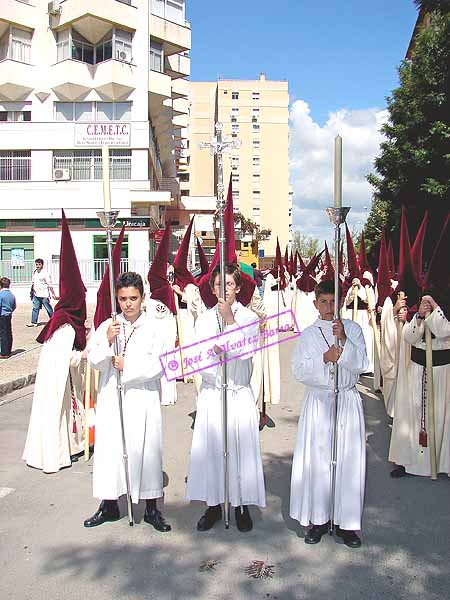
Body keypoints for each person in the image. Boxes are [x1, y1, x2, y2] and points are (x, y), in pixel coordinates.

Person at [84, 272, 171, 532]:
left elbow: (160, 364)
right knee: (112, 450)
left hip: (142, 398)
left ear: (142, 298)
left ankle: (151, 507)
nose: (128, 304)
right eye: (123, 299)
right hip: (114, 398)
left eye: (133, 298)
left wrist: (128, 366)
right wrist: (107, 340)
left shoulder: (155, 327)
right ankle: (109, 503)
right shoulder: (108, 326)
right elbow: (95, 359)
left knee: (147, 450)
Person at [186, 264, 266, 532]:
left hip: (238, 392)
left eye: (230, 285)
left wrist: (230, 321)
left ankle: (241, 505)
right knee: (214, 451)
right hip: (213, 393)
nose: (225, 290)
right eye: (219, 285)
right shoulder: (204, 320)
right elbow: (197, 358)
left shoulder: (250, 319)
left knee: (239, 450)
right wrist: (214, 355)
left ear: (239, 287)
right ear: (212, 289)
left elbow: (247, 351)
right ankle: (213, 504)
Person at [290, 279, 368, 548]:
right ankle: (320, 520)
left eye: (334, 301)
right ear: (315, 303)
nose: (328, 307)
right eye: (323, 302)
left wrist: (344, 342)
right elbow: (299, 370)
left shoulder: (354, 329)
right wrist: (324, 358)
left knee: (347, 462)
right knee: (320, 461)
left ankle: (346, 524)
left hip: (346, 400)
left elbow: (362, 364)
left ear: (341, 302)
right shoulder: (309, 334)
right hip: (319, 403)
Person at [389, 294, 450, 478]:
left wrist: (434, 310)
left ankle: (443, 464)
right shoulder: (420, 309)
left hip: (442, 373)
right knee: (412, 416)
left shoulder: (441, 310)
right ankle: (410, 464)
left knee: (441, 416)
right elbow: (409, 336)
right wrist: (420, 316)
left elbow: (443, 331)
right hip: (417, 371)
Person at [27, 258, 57, 327]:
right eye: (36, 264)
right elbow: (33, 282)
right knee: (35, 308)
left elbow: (49, 284)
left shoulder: (45, 273)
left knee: (48, 308)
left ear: (42, 265)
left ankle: (53, 321)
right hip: (36, 294)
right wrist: (31, 292)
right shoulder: (35, 272)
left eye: (39, 264)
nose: (37, 266)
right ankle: (33, 322)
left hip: (44, 294)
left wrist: (53, 293)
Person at [0, 277, 16, 358]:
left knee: (3, 334)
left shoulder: (1, 295)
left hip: (2, 315)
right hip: (9, 315)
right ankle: (9, 350)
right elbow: (14, 306)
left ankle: (4, 352)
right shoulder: (11, 295)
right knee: (8, 332)